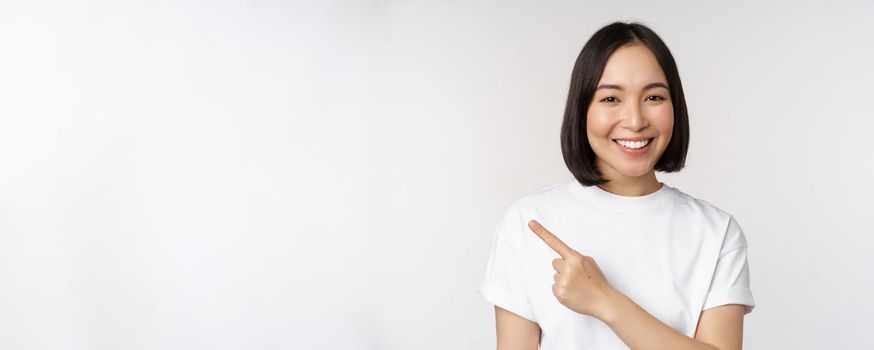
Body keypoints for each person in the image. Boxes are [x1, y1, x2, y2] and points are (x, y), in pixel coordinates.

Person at [478, 21, 756, 350]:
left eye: (653, 97)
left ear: (675, 107)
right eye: (611, 98)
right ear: (582, 110)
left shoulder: (716, 232)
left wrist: (606, 302)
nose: (636, 120)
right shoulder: (530, 221)